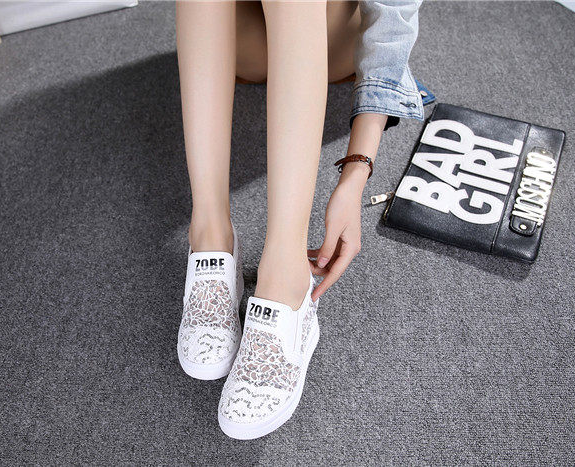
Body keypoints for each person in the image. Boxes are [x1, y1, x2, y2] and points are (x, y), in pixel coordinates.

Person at [175, 0, 423, 439]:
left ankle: (285, 273)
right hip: (240, 38)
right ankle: (210, 233)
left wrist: (357, 170)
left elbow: (392, 21)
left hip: (326, 34)